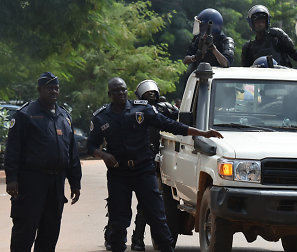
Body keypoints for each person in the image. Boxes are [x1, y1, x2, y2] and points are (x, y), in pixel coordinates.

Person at [87, 77, 223, 252]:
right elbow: (91, 145)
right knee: (118, 221)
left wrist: (201, 133)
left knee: (157, 217)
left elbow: (170, 125)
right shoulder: (101, 117)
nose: (121, 93)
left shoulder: (141, 110)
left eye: (123, 90)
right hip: (118, 173)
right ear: (109, 94)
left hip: (143, 171)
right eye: (116, 91)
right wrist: (103, 154)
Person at [4, 72, 82, 251]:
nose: (53, 91)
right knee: (25, 230)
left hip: (56, 183)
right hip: (31, 181)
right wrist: (12, 179)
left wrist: (75, 182)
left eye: (56, 88)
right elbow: (13, 149)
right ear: (39, 90)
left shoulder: (64, 116)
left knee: (50, 231)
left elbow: (72, 153)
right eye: (49, 88)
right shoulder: (25, 115)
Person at [103, 80, 180, 251]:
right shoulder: (131, 110)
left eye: (153, 92)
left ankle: (138, 238)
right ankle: (112, 236)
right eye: (147, 93)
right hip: (125, 163)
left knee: (149, 206)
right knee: (117, 206)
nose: (151, 95)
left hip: (150, 161)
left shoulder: (161, 108)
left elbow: (177, 119)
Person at [181, 8, 234, 82]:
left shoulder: (226, 41)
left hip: (217, 81)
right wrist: (195, 57)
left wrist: (213, 49)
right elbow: (185, 60)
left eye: (201, 25)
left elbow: (226, 63)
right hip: (198, 78)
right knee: (189, 71)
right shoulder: (198, 39)